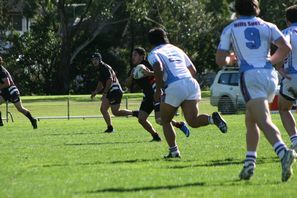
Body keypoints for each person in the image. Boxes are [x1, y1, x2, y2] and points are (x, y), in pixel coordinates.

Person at [216, 0, 296, 182]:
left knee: (263, 119)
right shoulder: (268, 25)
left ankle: (283, 152)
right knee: (250, 119)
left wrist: (231, 58)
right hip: (269, 76)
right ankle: (249, 163)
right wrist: (271, 60)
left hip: (250, 75)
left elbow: (221, 59)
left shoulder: (231, 28)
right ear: (256, 8)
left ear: (237, 9)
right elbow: (285, 48)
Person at [147, 28, 228, 159]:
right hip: (191, 83)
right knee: (193, 121)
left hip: (174, 85)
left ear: (151, 42)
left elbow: (158, 67)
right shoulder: (177, 49)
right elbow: (193, 70)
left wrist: (158, 89)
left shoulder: (154, 53)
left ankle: (174, 152)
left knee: (165, 120)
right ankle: (212, 119)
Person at [126, 47, 191, 141]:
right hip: (148, 97)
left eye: (135, 55)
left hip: (157, 93)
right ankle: (155, 136)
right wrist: (132, 76)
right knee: (141, 119)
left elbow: (162, 73)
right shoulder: (134, 69)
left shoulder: (150, 63)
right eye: (132, 55)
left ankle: (179, 125)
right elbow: (127, 84)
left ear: (142, 56)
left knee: (160, 119)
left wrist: (149, 73)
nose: (133, 57)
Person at [90, 52, 137, 133]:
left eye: (96, 59)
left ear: (100, 59)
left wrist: (104, 93)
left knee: (116, 112)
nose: (94, 61)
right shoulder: (101, 68)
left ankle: (136, 113)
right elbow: (101, 82)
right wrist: (96, 91)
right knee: (103, 109)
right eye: (93, 60)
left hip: (114, 91)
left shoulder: (103, 67)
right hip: (111, 91)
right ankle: (110, 128)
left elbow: (110, 80)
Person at [277, 5, 297, 152]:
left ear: (287, 20)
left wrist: (279, 67)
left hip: (291, 76)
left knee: (284, 108)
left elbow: (283, 48)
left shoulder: (285, 33)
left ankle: (295, 140)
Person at [0, 56, 37, 129]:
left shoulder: (1, 71)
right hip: (5, 92)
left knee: (20, 109)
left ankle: (32, 120)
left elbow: (7, 83)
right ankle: (0, 122)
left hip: (11, 91)